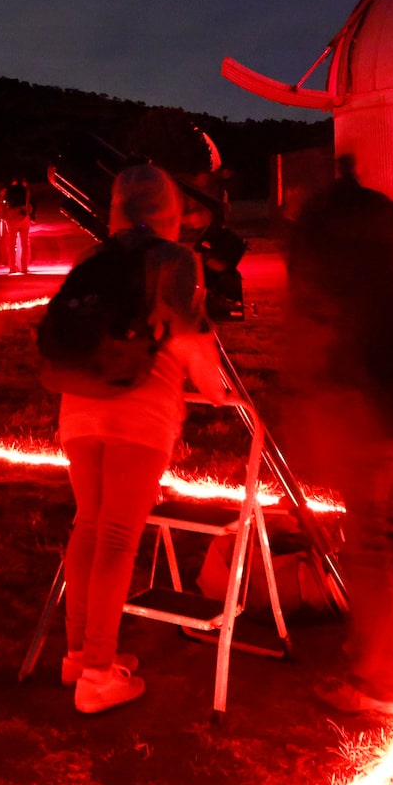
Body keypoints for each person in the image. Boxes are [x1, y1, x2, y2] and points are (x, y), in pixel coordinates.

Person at [41, 163, 230, 716]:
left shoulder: (95, 259)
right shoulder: (173, 260)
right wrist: (217, 392)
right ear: (171, 211)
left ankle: (80, 654)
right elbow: (194, 342)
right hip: (139, 413)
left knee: (89, 527)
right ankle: (99, 675)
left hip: (80, 407)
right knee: (119, 539)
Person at [285, 157, 393, 718]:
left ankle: (380, 684)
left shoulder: (320, 242)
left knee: (370, 544)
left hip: (362, 400)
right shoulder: (392, 237)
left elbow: (313, 320)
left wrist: (310, 398)